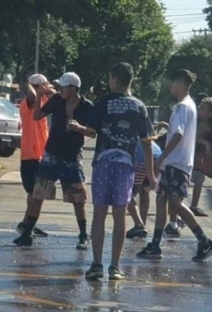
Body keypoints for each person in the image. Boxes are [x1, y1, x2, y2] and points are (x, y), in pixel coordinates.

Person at [84, 62, 156, 281]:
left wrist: (76, 126)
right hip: (126, 166)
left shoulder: (104, 102)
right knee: (119, 215)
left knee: (99, 213)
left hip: (103, 163)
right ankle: (114, 267)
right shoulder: (139, 106)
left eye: (109, 79)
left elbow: (91, 131)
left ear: (115, 79)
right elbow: (147, 142)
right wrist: (151, 174)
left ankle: (97, 264)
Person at [138, 69, 212, 262]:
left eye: (173, 83)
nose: (170, 86)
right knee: (161, 201)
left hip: (177, 163)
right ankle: (155, 244)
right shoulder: (189, 106)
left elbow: (178, 134)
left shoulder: (181, 107)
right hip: (175, 163)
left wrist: (161, 157)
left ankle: (204, 240)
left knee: (175, 203)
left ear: (181, 84)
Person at [13, 72, 94, 249]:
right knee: (38, 194)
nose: (60, 89)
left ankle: (83, 235)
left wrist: (79, 128)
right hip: (51, 154)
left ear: (73, 89)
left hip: (72, 157)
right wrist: (40, 95)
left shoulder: (87, 106)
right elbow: (37, 115)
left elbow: (94, 132)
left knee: (78, 198)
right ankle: (27, 233)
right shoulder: (57, 100)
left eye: (63, 86)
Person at [15, 74, 54, 238]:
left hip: (41, 153)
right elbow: (31, 95)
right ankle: (25, 224)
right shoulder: (27, 103)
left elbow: (56, 95)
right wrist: (36, 89)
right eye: (42, 87)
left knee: (37, 193)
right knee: (33, 192)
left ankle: (30, 223)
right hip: (30, 154)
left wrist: (46, 90)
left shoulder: (42, 101)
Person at [126, 139, 163, 239]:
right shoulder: (143, 130)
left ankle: (139, 225)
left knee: (126, 194)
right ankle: (142, 223)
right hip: (157, 157)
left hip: (141, 159)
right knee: (144, 191)